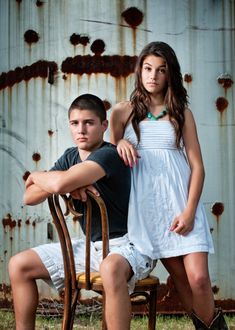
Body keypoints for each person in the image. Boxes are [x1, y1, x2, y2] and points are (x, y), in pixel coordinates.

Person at [8, 94, 155, 330]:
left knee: (110, 268)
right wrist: (65, 183)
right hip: (92, 248)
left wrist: (36, 176)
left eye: (89, 122)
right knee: (19, 264)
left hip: (129, 246)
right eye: (75, 123)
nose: (81, 130)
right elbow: (29, 197)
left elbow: (57, 186)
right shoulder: (70, 156)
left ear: (104, 126)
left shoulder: (109, 155)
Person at [109, 42, 228, 329]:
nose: (153, 76)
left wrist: (189, 211)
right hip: (150, 212)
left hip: (182, 205)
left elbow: (197, 166)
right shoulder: (122, 113)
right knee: (182, 283)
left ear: (170, 74)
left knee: (199, 279)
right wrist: (120, 142)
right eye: (148, 69)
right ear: (139, 72)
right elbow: (105, 156)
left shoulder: (181, 113)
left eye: (161, 70)